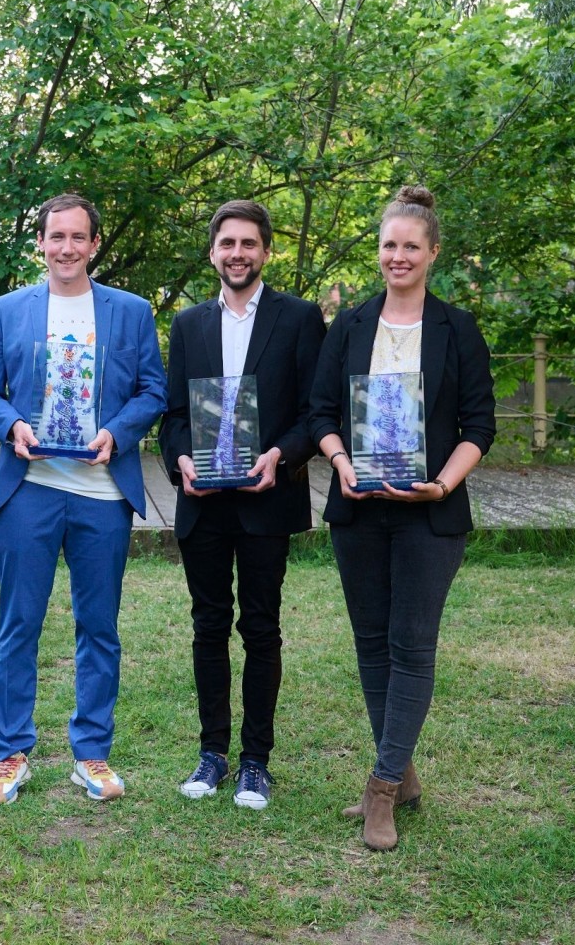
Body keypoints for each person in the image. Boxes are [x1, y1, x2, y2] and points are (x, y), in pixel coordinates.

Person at [308, 185, 495, 851]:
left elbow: (481, 425)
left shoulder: (458, 329)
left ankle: (382, 789)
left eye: (411, 246)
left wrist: (443, 484)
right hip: (359, 511)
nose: (398, 256)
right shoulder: (353, 325)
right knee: (371, 645)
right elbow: (320, 413)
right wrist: (339, 461)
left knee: (411, 648)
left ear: (433, 253)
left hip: (429, 516)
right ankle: (404, 772)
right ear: (379, 251)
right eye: (389, 245)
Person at [0, 193, 167, 804]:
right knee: (19, 624)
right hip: (29, 490)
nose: (66, 248)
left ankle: (92, 754)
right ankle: (12, 754)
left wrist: (119, 432)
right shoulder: (10, 310)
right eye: (56, 237)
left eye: (78, 237)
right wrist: (12, 427)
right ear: (41, 242)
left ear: (94, 245)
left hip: (102, 494)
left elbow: (153, 391)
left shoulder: (131, 312)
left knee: (99, 627)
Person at [158, 200, 325, 810]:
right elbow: (174, 417)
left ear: (265, 251)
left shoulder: (300, 319)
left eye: (249, 244)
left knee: (260, 628)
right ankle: (212, 753)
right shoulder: (188, 324)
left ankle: (256, 760)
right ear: (212, 252)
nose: (237, 253)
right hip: (204, 500)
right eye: (227, 243)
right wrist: (180, 460)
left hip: (264, 498)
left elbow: (315, 413)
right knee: (207, 626)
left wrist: (280, 454)